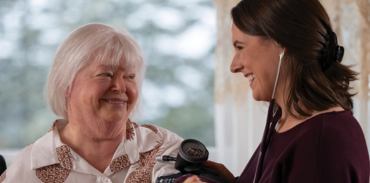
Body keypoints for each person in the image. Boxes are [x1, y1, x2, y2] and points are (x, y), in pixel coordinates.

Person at [186, 0, 370, 182]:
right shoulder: (289, 124)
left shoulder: (320, 141)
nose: (233, 67)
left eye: (240, 47)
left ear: (280, 46)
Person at [0, 23, 183, 183]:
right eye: (106, 74)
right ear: (66, 84)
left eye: (130, 76)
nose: (120, 87)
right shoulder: (29, 166)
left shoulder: (164, 148)